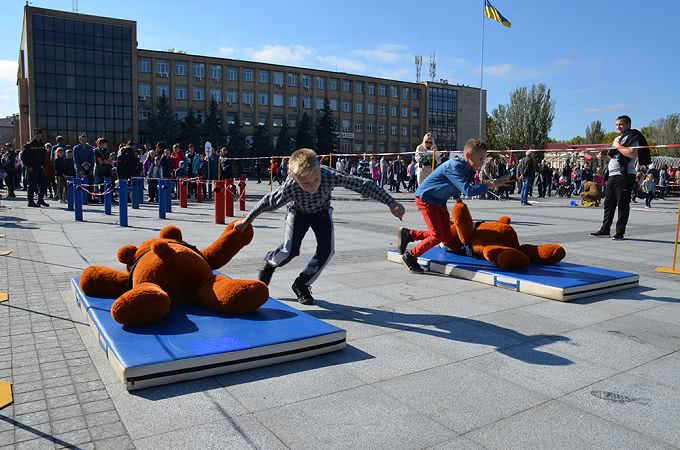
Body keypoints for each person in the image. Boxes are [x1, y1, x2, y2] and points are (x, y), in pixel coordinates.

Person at [233, 148, 405, 304]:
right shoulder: (290, 188)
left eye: (316, 179)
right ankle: (269, 264)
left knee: (327, 250)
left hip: (321, 213)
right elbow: (267, 202)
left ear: (319, 169)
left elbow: (362, 184)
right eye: (306, 183)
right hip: (297, 213)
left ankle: (301, 284)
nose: (313, 185)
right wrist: (246, 221)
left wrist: (390, 202)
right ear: (294, 177)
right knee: (290, 250)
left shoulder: (329, 175)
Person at [397, 139, 511, 272]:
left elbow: (456, 187)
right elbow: (467, 190)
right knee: (437, 236)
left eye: (484, 158)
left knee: (445, 236)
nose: (482, 162)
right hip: (426, 199)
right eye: (480, 158)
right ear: (468, 156)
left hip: (439, 201)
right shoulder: (455, 166)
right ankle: (410, 255)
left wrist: (459, 201)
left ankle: (409, 234)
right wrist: (491, 184)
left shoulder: (469, 169)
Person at [591, 115, 645, 240]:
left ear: (628, 124)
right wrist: (604, 155)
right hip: (612, 175)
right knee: (608, 204)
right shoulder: (618, 138)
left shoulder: (633, 137)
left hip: (625, 175)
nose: (618, 127)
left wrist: (617, 145)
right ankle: (605, 229)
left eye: (620, 124)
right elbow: (615, 155)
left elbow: (631, 153)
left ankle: (620, 232)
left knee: (622, 204)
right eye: (616, 125)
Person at [21, 128, 49, 207]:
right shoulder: (29, 145)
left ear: (41, 135)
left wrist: (43, 165)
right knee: (32, 185)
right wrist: (28, 166)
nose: (38, 135)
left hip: (39, 168)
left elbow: (43, 156)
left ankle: (40, 200)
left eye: (39, 134)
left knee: (43, 184)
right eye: (36, 134)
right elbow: (23, 157)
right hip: (32, 168)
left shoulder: (42, 145)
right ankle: (30, 202)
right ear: (34, 135)